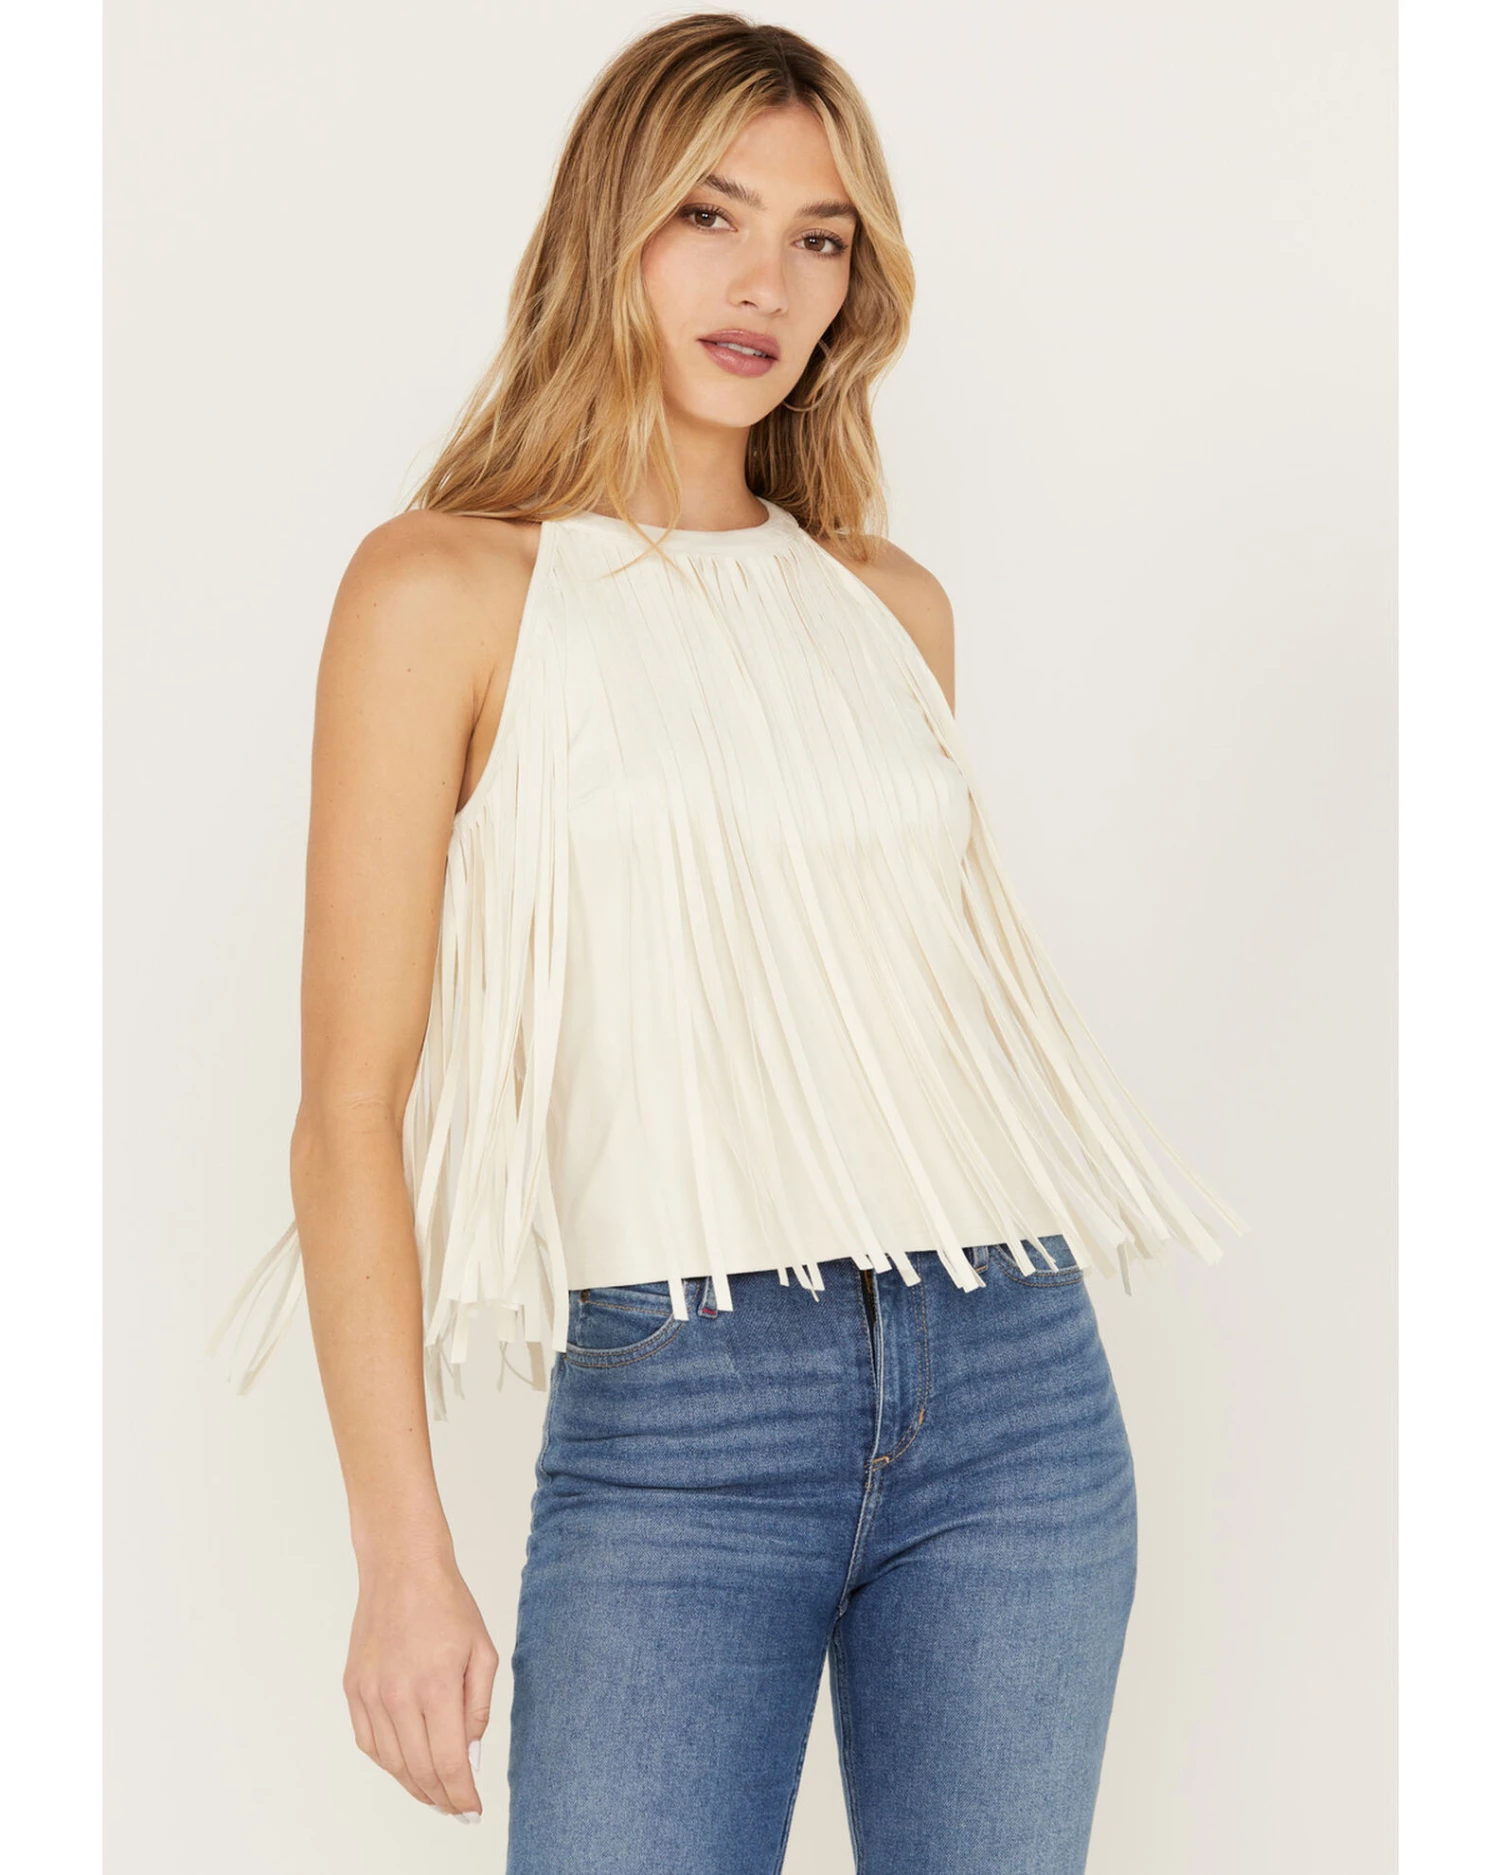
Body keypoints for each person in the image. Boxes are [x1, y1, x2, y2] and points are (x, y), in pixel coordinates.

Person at [209, 14, 1247, 1872]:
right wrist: (400, 1552)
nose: (766, 281)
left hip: (1011, 1379)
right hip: (684, 1401)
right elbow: (349, 1107)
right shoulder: (444, 586)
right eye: (710, 213)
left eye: (818, 236)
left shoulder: (888, 608)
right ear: (607, 222)